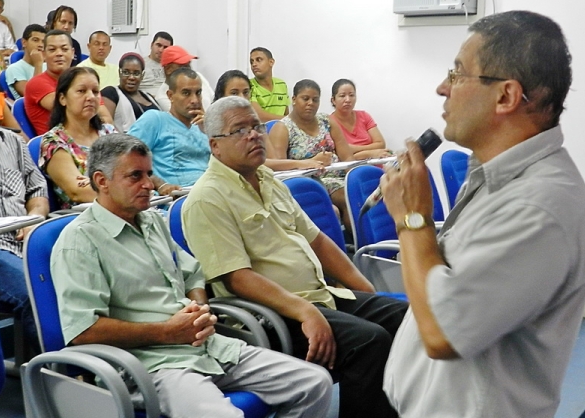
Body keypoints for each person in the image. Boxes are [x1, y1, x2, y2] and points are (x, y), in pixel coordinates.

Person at [380, 10, 585, 418]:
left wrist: (413, 219)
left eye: (458, 74)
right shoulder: (496, 173)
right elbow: (449, 278)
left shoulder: (539, 206)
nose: (442, 87)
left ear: (506, 96)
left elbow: (442, 331)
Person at [50, 132, 333, 418]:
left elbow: (193, 273)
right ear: (101, 181)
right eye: (135, 176)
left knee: (314, 383)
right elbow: (83, 331)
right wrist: (167, 332)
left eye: (149, 173)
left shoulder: (150, 222)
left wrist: (197, 307)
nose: (149, 184)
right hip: (150, 364)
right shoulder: (80, 241)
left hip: (205, 346)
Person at [183, 96, 408, 418]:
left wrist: (366, 291)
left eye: (256, 127)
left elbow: (319, 242)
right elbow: (237, 277)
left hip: (319, 296)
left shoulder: (269, 180)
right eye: (240, 130)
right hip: (272, 316)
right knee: (368, 342)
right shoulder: (207, 199)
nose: (253, 135)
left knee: (400, 316)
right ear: (215, 145)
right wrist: (305, 312)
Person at [269, 79, 355, 232]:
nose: (310, 103)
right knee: (350, 198)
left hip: (339, 175)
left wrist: (353, 179)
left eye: (315, 100)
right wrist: (311, 162)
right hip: (313, 181)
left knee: (362, 191)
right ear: (294, 100)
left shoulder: (326, 121)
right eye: (305, 98)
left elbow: (347, 156)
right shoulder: (282, 128)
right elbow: (280, 171)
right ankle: (362, 249)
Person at [0, 122, 49, 353]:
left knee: (84, 280)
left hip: (27, 240)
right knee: (37, 294)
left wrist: (34, 217)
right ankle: (68, 375)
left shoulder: (13, 142)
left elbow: (38, 190)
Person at [213, 69, 325, 172]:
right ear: (222, 96)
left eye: (246, 92)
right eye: (234, 93)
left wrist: (305, 163)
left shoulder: (257, 126)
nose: (242, 98)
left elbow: (274, 160)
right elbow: (241, 162)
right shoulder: (215, 127)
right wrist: (301, 163)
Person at [39, 66, 116, 209]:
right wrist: (124, 189)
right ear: (63, 99)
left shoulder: (108, 132)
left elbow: (132, 171)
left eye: (95, 91)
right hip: (84, 219)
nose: (91, 97)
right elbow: (77, 192)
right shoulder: (54, 141)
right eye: (81, 91)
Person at [128, 67, 210, 188]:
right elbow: (126, 159)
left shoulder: (205, 126)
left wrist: (209, 131)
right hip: (175, 199)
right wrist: (160, 185)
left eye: (198, 93)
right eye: (186, 93)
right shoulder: (155, 120)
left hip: (210, 193)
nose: (194, 100)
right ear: (170, 95)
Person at [24, 29, 74, 135]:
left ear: (73, 53)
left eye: (65, 49)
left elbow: (104, 115)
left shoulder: (81, 80)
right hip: (56, 145)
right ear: (44, 55)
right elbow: (70, 109)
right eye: (52, 50)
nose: (59, 54)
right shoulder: (36, 83)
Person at [330, 79, 392, 160]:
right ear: (333, 100)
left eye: (352, 95)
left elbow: (381, 144)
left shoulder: (364, 116)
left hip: (376, 163)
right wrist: (370, 153)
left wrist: (353, 149)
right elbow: (339, 156)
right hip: (350, 168)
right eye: (342, 96)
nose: (348, 100)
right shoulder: (329, 123)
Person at [101, 52, 160, 132]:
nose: (131, 77)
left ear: (142, 76)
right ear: (119, 73)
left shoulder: (148, 96)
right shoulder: (111, 93)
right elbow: (107, 129)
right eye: (126, 72)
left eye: (136, 73)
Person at [154, 45, 214, 112]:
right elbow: (190, 118)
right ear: (168, 69)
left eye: (188, 65)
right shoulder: (162, 97)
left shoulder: (197, 77)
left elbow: (214, 100)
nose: (188, 70)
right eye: (183, 66)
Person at [5, 24, 46, 100]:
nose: (40, 45)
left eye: (43, 42)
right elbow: (33, 96)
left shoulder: (48, 65)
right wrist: (38, 64)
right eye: (35, 40)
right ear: (24, 42)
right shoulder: (14, 69)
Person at [249, 47, 289, 122]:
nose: (254, 64)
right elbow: (258, 116)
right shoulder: (249, 85)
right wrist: (289, 121)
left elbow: (286, 113)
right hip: (260, 132)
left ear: (271, 62)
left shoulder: (281, 84)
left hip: (280, 130)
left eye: (259, 60)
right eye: (251, 62)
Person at [140, 31, 173, 96]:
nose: (161, 50)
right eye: (158, 45)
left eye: (165, 47)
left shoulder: (172, 66)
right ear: (151, 45)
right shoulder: (139, 63)